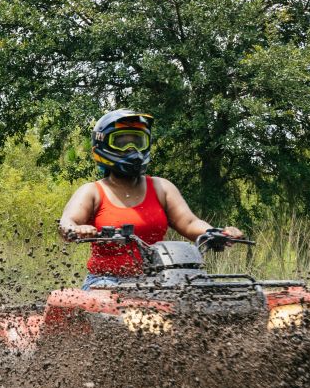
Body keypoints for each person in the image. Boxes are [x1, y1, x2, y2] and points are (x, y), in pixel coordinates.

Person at [58, 109, 245, 290]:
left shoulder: (161, 187)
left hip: (160, 281)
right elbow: (68, 221)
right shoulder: (92, 191)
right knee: (116, 316)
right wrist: (77, 229)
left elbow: (189, 222)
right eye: (122, 142)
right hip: (105, 282)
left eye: (138, 142)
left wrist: (216, 233)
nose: (132, 149)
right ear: (102, 145)